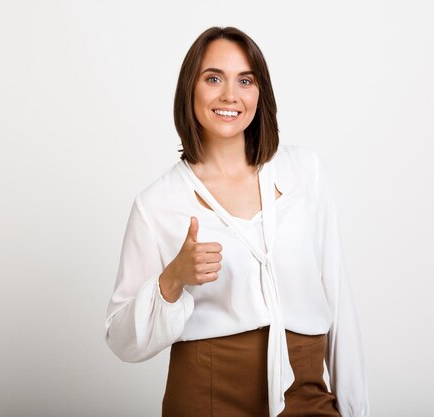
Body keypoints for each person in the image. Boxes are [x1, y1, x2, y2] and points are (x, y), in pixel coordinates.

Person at [104, 26, 370, 417]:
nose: (230, 95)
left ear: (260, 93)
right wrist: (172, 280)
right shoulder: (157, 204)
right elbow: (121, 339)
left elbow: (338, 298)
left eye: (245, 80)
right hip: (206, 393)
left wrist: (355, 408)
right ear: (189, 89)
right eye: (214, 78)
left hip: (305, 388)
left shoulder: (304, 172)